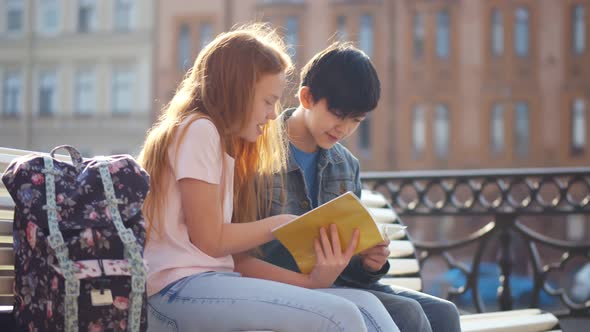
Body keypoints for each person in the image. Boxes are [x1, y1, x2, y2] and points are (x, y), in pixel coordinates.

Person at [138, 24, 399, 332]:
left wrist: (311, 281)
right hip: (176, 290)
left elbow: (232, 259)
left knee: (366, 306)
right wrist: (280, 224)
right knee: (342, 316)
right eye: (267, 101)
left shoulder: (221, 142)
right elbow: (210, 240)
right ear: (238, 92)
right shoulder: (199, 130)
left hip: (213, 282)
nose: (274, 113)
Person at [259, 42, 462, 332]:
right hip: (286, 287)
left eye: (355, 120)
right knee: (408, 314)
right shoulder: (259, 151)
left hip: (338, 286)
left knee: (444, 313)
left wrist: (369, 264)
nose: (344, 128)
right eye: (338, 114)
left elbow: (350, 268)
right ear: (307, 97)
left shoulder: (346, 165)